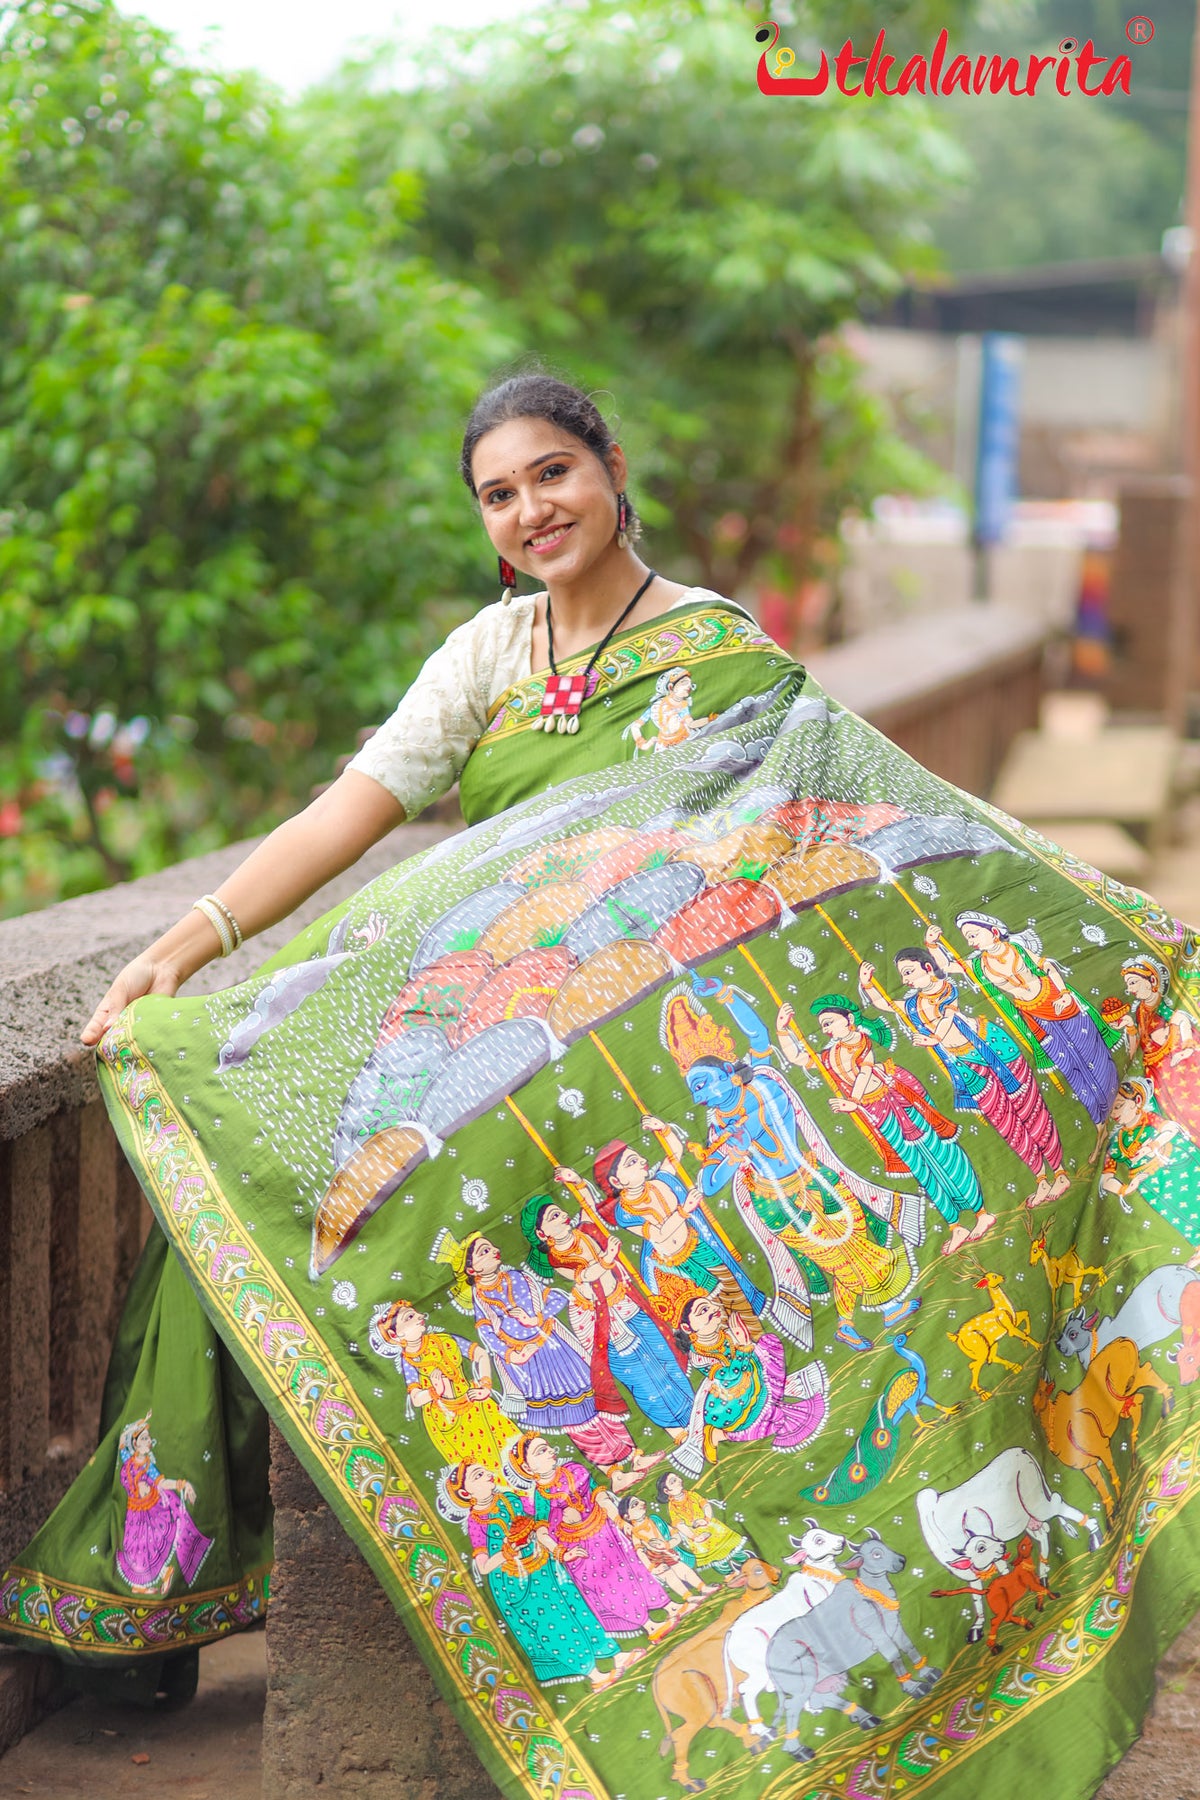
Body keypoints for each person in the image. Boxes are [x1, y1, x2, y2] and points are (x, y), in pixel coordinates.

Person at [4, 371, 1199, 1800]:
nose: (531, 512)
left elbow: (871, 810)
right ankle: (165, 1568)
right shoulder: (485, 659)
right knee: (233, 1138)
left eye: (552, 474)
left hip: (650, 1074)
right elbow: (354, 809)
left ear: (613, 468)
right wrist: (187, 945)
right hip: (501, 1046)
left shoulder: (721, 655)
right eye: (499, 496)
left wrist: (1111, 925)